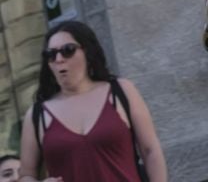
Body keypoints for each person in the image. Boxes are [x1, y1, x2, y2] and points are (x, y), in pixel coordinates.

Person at [19, 18, 167, 182]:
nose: (59, 59)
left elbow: (151, 151)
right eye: (51, 54)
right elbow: (26, 174)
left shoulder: (121, 91)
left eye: (68, 50)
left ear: (88, 53)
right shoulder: (36, 115)